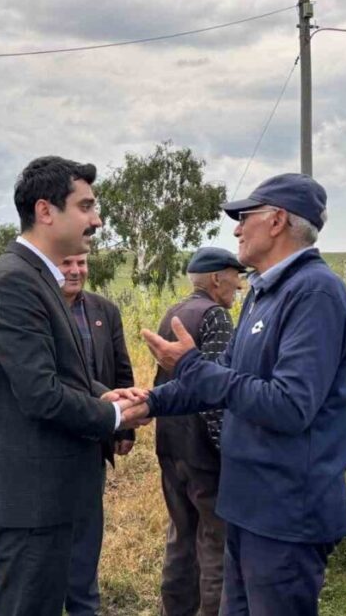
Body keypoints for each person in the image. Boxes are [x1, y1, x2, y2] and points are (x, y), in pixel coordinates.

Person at [137, 173, 346, 616]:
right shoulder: (265, 293)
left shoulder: (314, 292)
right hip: (246, 505)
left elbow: (289, 405)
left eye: (245, 216)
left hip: (285, 514)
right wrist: (149, 401)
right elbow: (228, 380)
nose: (237, 228)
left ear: (277, 221)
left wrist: (191, 365)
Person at [0, 155, 147, 616]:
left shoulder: (37, 278)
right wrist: (113, 416)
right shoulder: (14, 282)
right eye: (86, 206)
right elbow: (40, 393)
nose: (97, 219)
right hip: (29, 498)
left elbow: (56, 372)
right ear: (46, 211)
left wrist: (100, 393)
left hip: (47, 492)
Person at [153, 247, 243, 616]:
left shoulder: (173, 312)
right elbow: (215, 393)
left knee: (181, 536)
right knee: (215, 542)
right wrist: (227, 449)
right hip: (204, 452)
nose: (240, 285)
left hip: (171, 446)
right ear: (217, 278)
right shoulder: (216, 316)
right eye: (235, 277)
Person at [57, 252, 136, 616]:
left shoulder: (104, 310)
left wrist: (126, 427)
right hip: (51, 439)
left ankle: (83, 606)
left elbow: (122, 368)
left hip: (94, 438)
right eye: (66, 263)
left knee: (88, 532)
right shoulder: (39, 310)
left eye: (81, 264)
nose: (75, 271)